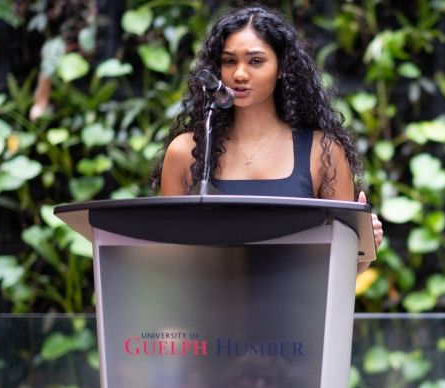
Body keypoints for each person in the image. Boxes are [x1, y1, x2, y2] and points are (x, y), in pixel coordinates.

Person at [150, 5, 383, 269]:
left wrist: (362, 247)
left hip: (297, 308)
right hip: (209, 306)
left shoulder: (323, 152)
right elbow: (171, 259)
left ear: (282, 67)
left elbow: (341, 271)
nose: (239, 74)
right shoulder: (185, 151)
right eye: (229, 61)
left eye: (255, 61)